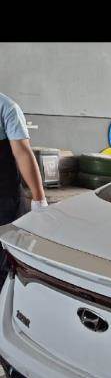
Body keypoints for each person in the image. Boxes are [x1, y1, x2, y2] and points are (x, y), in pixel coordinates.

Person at [0, 90, 48, 289]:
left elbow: (22, 154)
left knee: (7, 256)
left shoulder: (6, 107)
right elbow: (22, 153)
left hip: (5, 198)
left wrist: (39, 199)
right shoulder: (6, 106)